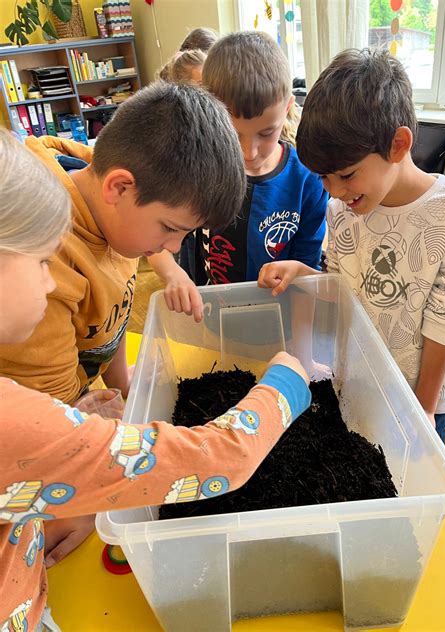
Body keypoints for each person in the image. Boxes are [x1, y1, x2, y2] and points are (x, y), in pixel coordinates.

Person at [0, 128, 311, 632]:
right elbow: (218, 462)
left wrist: (71, 430)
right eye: (39, 262)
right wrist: (286, 387)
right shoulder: (10, 423)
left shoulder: (61, 165)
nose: (50, 279)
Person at [258, 48, 445, 442]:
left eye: (346, 175)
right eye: (324, 178)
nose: (335, 192)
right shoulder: (342, 210)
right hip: (364, 380)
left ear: (398, 144)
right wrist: (303, 274)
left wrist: (422, 406)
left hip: (425, 394)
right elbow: (344, 288)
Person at [0, 81, 245, 407]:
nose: (173, 248)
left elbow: (112, 312)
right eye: (170, 228)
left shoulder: (114, 218)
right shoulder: (39, 266)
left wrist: (122, 383)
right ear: (119, 188)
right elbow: (52, 414)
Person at [149, 31, 328, 323]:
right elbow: (154, 240)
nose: (249, 152)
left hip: (278, 324)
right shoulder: (198, 167)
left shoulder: (306, 180)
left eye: (267, 132)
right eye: (234, 134)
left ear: (287, 108)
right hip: (209, 319)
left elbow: (305, 276)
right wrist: (172, 274)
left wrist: (302, 355)